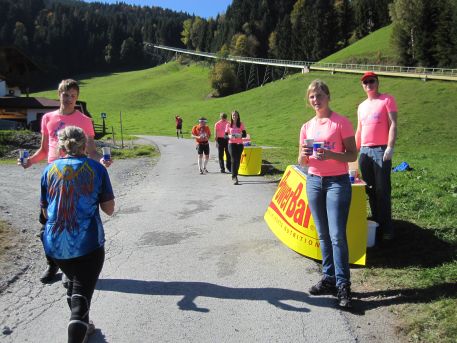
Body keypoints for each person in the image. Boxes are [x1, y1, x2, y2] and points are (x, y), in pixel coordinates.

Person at [19, 78, 112, 284]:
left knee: (77, 220)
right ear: (58, 95)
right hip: (54, 177)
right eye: (65, 94)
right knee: (47, 222)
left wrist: (103, 161)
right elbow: (44, 151)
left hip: (80, 176)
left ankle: (80, 264)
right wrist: (29, 162)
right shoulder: (48, 118)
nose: (68, 99)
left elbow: (92, 151)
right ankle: (53, 265)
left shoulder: (84, 120)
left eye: (72, 95)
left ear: (77, 97)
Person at [41, 126, 115, 343]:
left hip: (54, 245)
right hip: (87, 244)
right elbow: (109, 209)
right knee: (81, 300)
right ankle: (79, 325)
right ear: (86, 144)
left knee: (74, 284)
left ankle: (85, 327)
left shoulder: (49, 170)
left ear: (62, 145)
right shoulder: (97, 169)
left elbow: (45, 211)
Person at [298, 79, 357, 308]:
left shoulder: (340, 123)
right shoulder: (306, 127)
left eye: (319, 95)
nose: (316, 100)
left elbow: (352, 155)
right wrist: (303, 155)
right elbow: (301, 160)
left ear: (328, 97)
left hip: (337, 183)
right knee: (322, 235)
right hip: (313, 181)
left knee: (337, 236)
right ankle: (329, 278)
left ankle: (343, 284)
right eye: (312, 96)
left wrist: (332, 156)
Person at [355, 71, 398, 242]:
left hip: (381, 150)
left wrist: (390, 147)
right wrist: (353, 151)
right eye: (365, 82)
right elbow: (359, 130)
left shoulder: (387, 99)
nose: (369, 84)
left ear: (377, 82)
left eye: (371, 81)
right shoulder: (361, 106)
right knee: (370, 189)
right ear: (362, 86)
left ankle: (387, 228)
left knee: (382, 190)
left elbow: (393, 123)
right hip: (364, 152)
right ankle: (377, 222)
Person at [225, 110, 246, 185]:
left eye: (236, 115)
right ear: (231, 116)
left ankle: (235, 173)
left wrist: (239, 135)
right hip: (231, 144)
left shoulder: (241, 124)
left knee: (238, 160)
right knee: (233, 159)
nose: (234, 116)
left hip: (239, 144)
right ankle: (234, 177)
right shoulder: (228, 124)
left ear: (238, 116)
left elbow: (244, 135)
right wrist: (229, 136)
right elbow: (225, 136)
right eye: (233, 115)